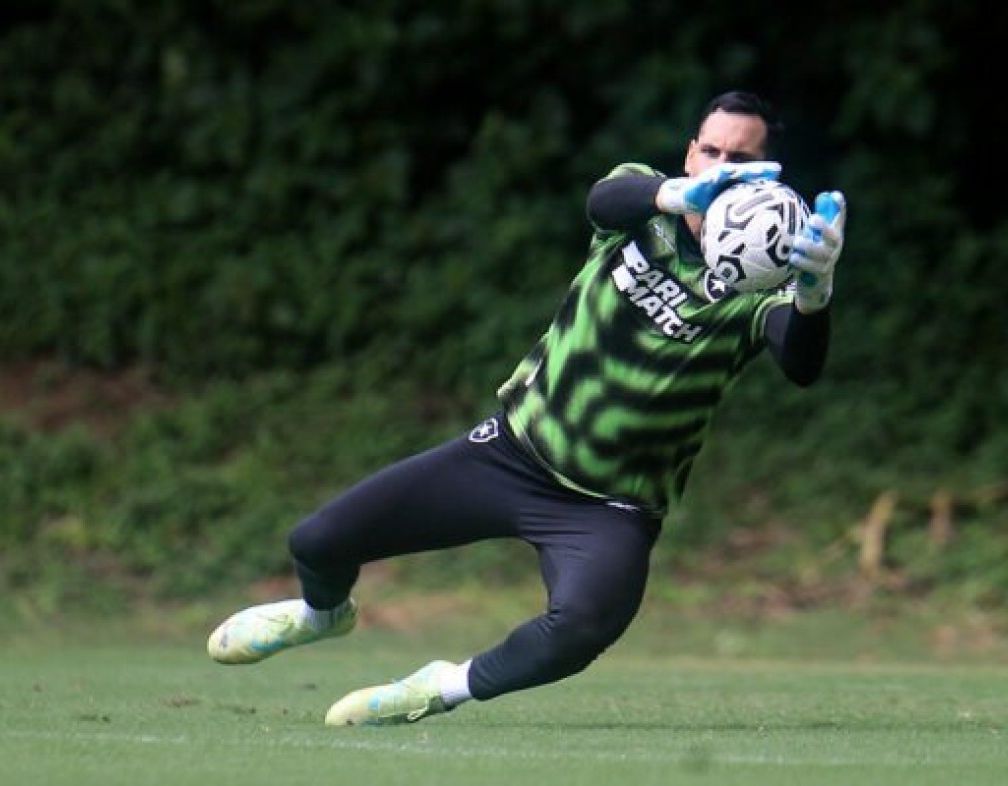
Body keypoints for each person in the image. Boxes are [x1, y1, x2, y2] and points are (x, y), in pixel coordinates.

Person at [206, 90, 847, 726]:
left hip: (610, 505)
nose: (722, 165)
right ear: (690, 153)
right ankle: (322, 616)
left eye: (741, 155)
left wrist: (815, 299)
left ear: (771, 173)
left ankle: (440, 687)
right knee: (316, 542)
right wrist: (675, 194)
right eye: (711, 151)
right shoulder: (643, 202)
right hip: (510, 454)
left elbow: (801, 364)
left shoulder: (772, 279)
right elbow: (603, 199)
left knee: (585, 627)